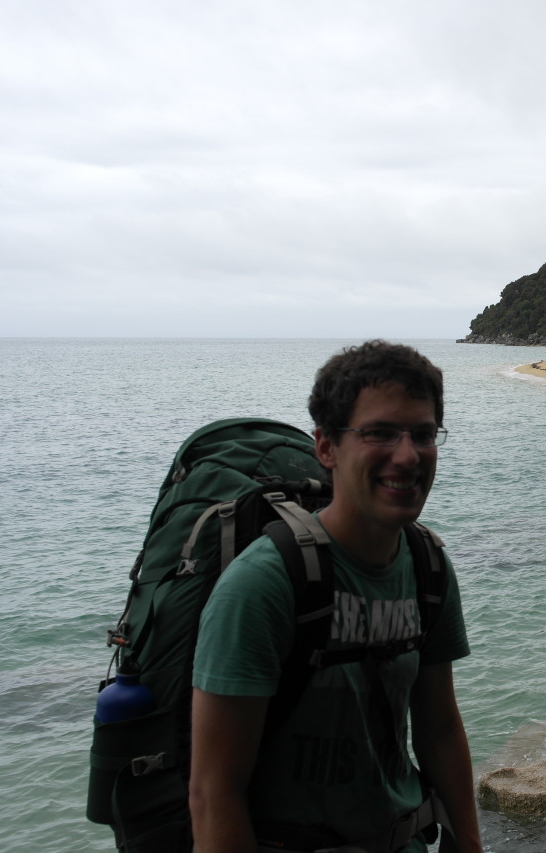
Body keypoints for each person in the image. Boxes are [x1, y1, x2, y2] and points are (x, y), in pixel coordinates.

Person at [188, 340, 482, 853]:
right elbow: (214, 793)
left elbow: (438, 730)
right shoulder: (262, 586)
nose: (408, 455)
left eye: (423, 434)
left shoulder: (428, 566)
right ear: (326, 447)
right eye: (380, 433)